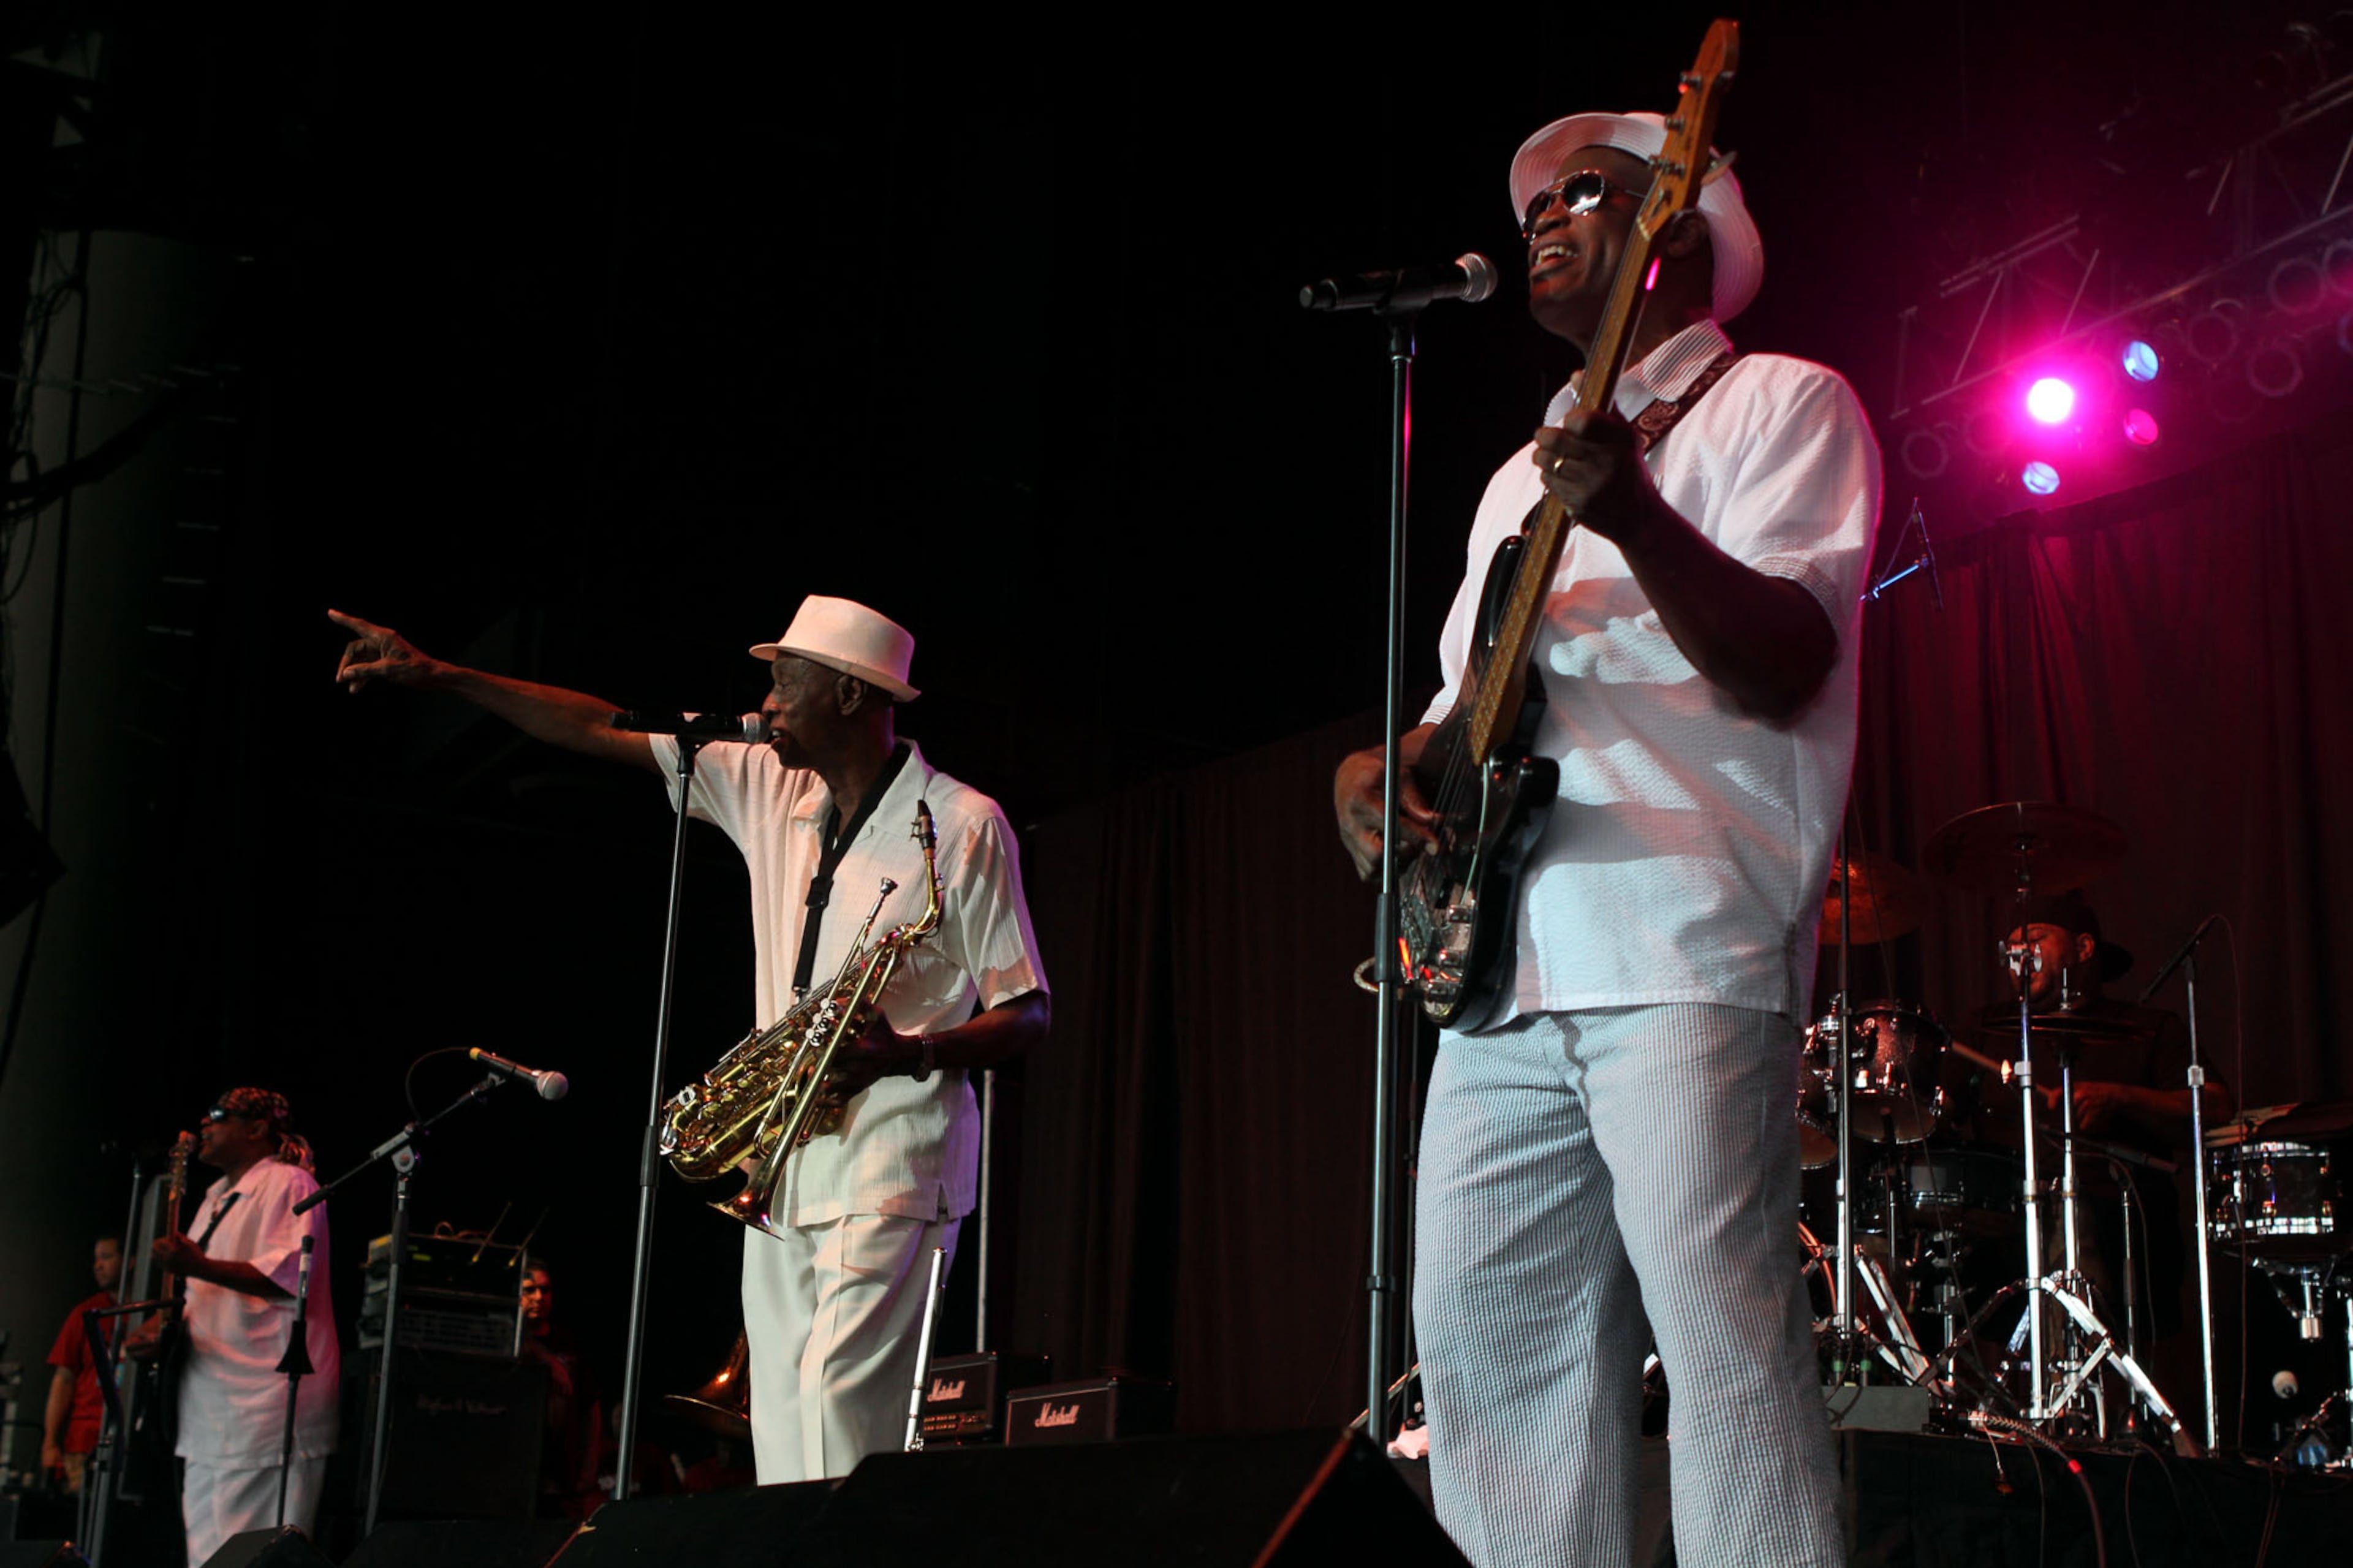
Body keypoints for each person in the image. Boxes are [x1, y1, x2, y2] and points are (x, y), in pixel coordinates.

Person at [1333, 109, 1879, 1567]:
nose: (1545, 220)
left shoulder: (1784, 402)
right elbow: (1469, 715)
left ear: (1680, 230)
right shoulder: (1514, 480)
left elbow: (1784, 656)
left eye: (1591, 191)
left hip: (1680, 934)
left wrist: (1633, 512)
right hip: (1499, 966)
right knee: (1482, 1371)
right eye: (1532, 207)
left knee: (1722, 1356)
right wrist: (1385, 772)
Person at [329, 594, 1050, 1483]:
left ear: (853, 695)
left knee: (840, 1418)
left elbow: (1029, 1011)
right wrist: (441, 673)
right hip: (778, 1164)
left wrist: (911, 1050)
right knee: (784, 1436)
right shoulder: (768, 784)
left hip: (894, 1160)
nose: (768, 701)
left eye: (787, 680)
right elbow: (596, 727)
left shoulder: (965, 823)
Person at [143, 1088, 340, 1562]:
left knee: (256, 1557)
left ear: (256, 1129)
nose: (204, 1125)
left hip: (267, 1405)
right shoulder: (214, 1195)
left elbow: (293, 1276)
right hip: (209, 1407)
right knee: (206, 1556)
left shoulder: (290, 1182)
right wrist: (156, 1328)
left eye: (218, 1115)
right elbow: (196, 1289)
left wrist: (199, 1265)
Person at [40, 1237, 122, 1493]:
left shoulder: (151, 1312)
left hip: (130, 1441)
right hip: (83, 1443)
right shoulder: (87, 1313)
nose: (98, 1266)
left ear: (130, 1261)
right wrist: (50, 1442)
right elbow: (63, 1379)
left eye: (107, 1257)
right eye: (96, 1259)